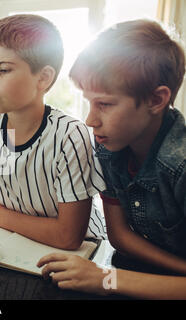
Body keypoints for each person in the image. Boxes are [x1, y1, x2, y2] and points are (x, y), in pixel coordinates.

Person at [38, 19, 186, 299]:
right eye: (89, 102)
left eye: (104, 104)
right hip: (137, 272)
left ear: (156, 100)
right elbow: (118, 235)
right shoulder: (109, 146)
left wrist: (107, 279)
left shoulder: (180, 165)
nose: (91, 120)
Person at [0, 14, 107, 262]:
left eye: (3, 69)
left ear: (43, 78)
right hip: (20, 248)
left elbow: (69, 236)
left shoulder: (69, 134)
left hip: (84, 255)